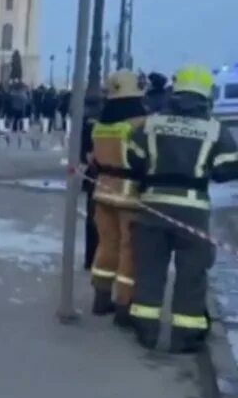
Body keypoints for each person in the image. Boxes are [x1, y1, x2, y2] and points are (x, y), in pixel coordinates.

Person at [126, 65, 238, 353]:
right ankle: (185, 336)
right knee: (192, 272)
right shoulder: (215, 129)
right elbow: (228, 169)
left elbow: (133, 158)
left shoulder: (152, 123)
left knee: (150, 268)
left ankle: (146, 329)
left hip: (152, 205)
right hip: (193, 209)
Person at [87, 71, 147, 325]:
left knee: (106, 244)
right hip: (130, 195)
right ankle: (124, 305)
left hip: (102, 191)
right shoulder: (140, 124)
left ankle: (101, 298)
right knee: (129, 250)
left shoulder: (101, 125)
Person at [80, 93, 103, 270]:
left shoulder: (89, 118)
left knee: (92, 220)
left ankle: (90, 259)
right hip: (117, 179)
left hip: (94, 174)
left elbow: (84, 147)